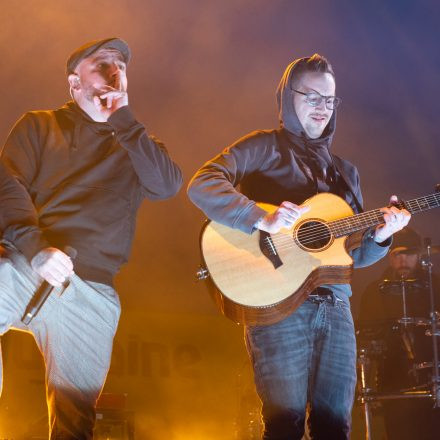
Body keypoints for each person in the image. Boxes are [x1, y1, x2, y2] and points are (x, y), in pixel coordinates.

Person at [187, 54, 410, 439]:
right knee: (284, 425)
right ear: (287, 97)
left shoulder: (346, 172)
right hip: (277, 303)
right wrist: (261, 216)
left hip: (336, 304)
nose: (322, 108)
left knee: (335, 427)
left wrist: (382, 236)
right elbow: (202, 184)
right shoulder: (263, 147)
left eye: (330, 100)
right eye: (312, 97)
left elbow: (352, 253)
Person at [0, 38, 182, 438]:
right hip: (28, 261)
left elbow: (167, 186)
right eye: (101, 64)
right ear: (74, 83)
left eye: (120, 66)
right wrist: (35, 249)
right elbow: (6, 185)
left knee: (74, 419)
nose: (114, 72)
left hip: (92, 289)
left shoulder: (137, 145)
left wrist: (126, 122)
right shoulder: (40, 125)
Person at [359, 227, 440, 440]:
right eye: (397, 254)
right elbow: (365, 340)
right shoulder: (374, 291)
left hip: (435, 377)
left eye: (410, 253)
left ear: (420, 255)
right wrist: (367, 383)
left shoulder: (436, 286)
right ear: (388, 257)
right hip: (392, 381)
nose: (403, 260)